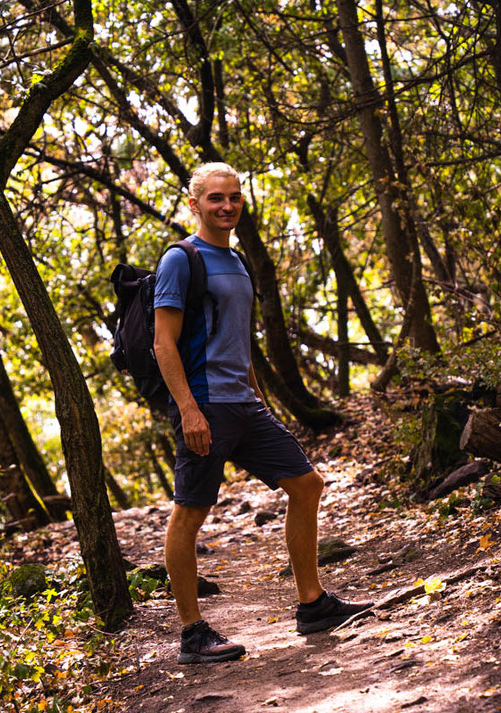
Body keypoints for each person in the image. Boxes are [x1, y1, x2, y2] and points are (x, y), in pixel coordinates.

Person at [153, 162, 373, 665]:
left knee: (307, 485)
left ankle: (313, 605)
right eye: (215, 198)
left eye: (233, 197)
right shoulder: (181, 260)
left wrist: (258, 400)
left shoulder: (239, 261)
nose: (226, 205)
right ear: (194, 204)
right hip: (204, 405)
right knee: (188, 514)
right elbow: (164, 344)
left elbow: (239, 341)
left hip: (244, 404)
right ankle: (192, 635)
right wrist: (188, 409)